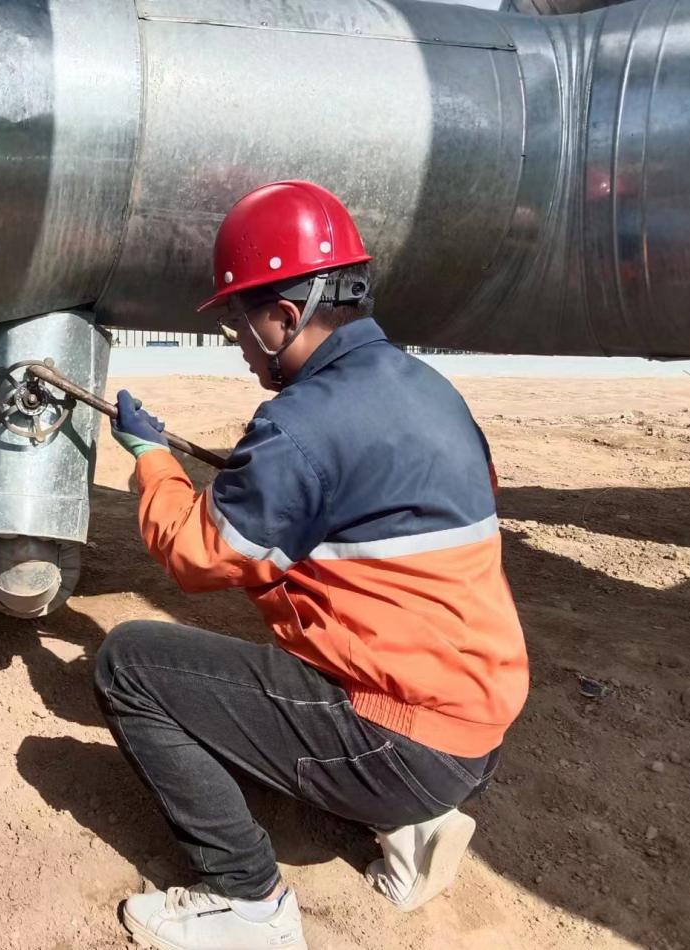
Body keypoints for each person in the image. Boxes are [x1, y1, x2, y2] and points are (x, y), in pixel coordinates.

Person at [96, 181, 528, 950]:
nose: (237, 344)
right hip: (477, 724)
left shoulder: (300, 424)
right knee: (309, 649)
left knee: (129, 664)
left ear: (283, 317)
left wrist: (150, 457)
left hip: (404, 741)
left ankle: (247, 904)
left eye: (236, 323)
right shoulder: (430, 391)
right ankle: (416, 824)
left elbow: (196, 556)